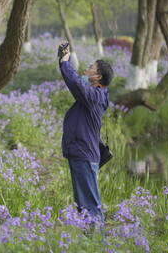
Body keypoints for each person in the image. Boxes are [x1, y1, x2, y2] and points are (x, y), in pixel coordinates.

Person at [58, 42, 114, 224]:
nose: (87, 68)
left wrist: (65, 63)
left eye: (91, 67)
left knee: (90, 204)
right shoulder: (95, 94)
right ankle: (91, 241)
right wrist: (64, 58)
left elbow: (75, 83)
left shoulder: (95, 96)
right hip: (81, 154)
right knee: (83, 206)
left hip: (84, 155)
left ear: (97, 77)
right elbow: (78, 81)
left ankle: (98, 242)